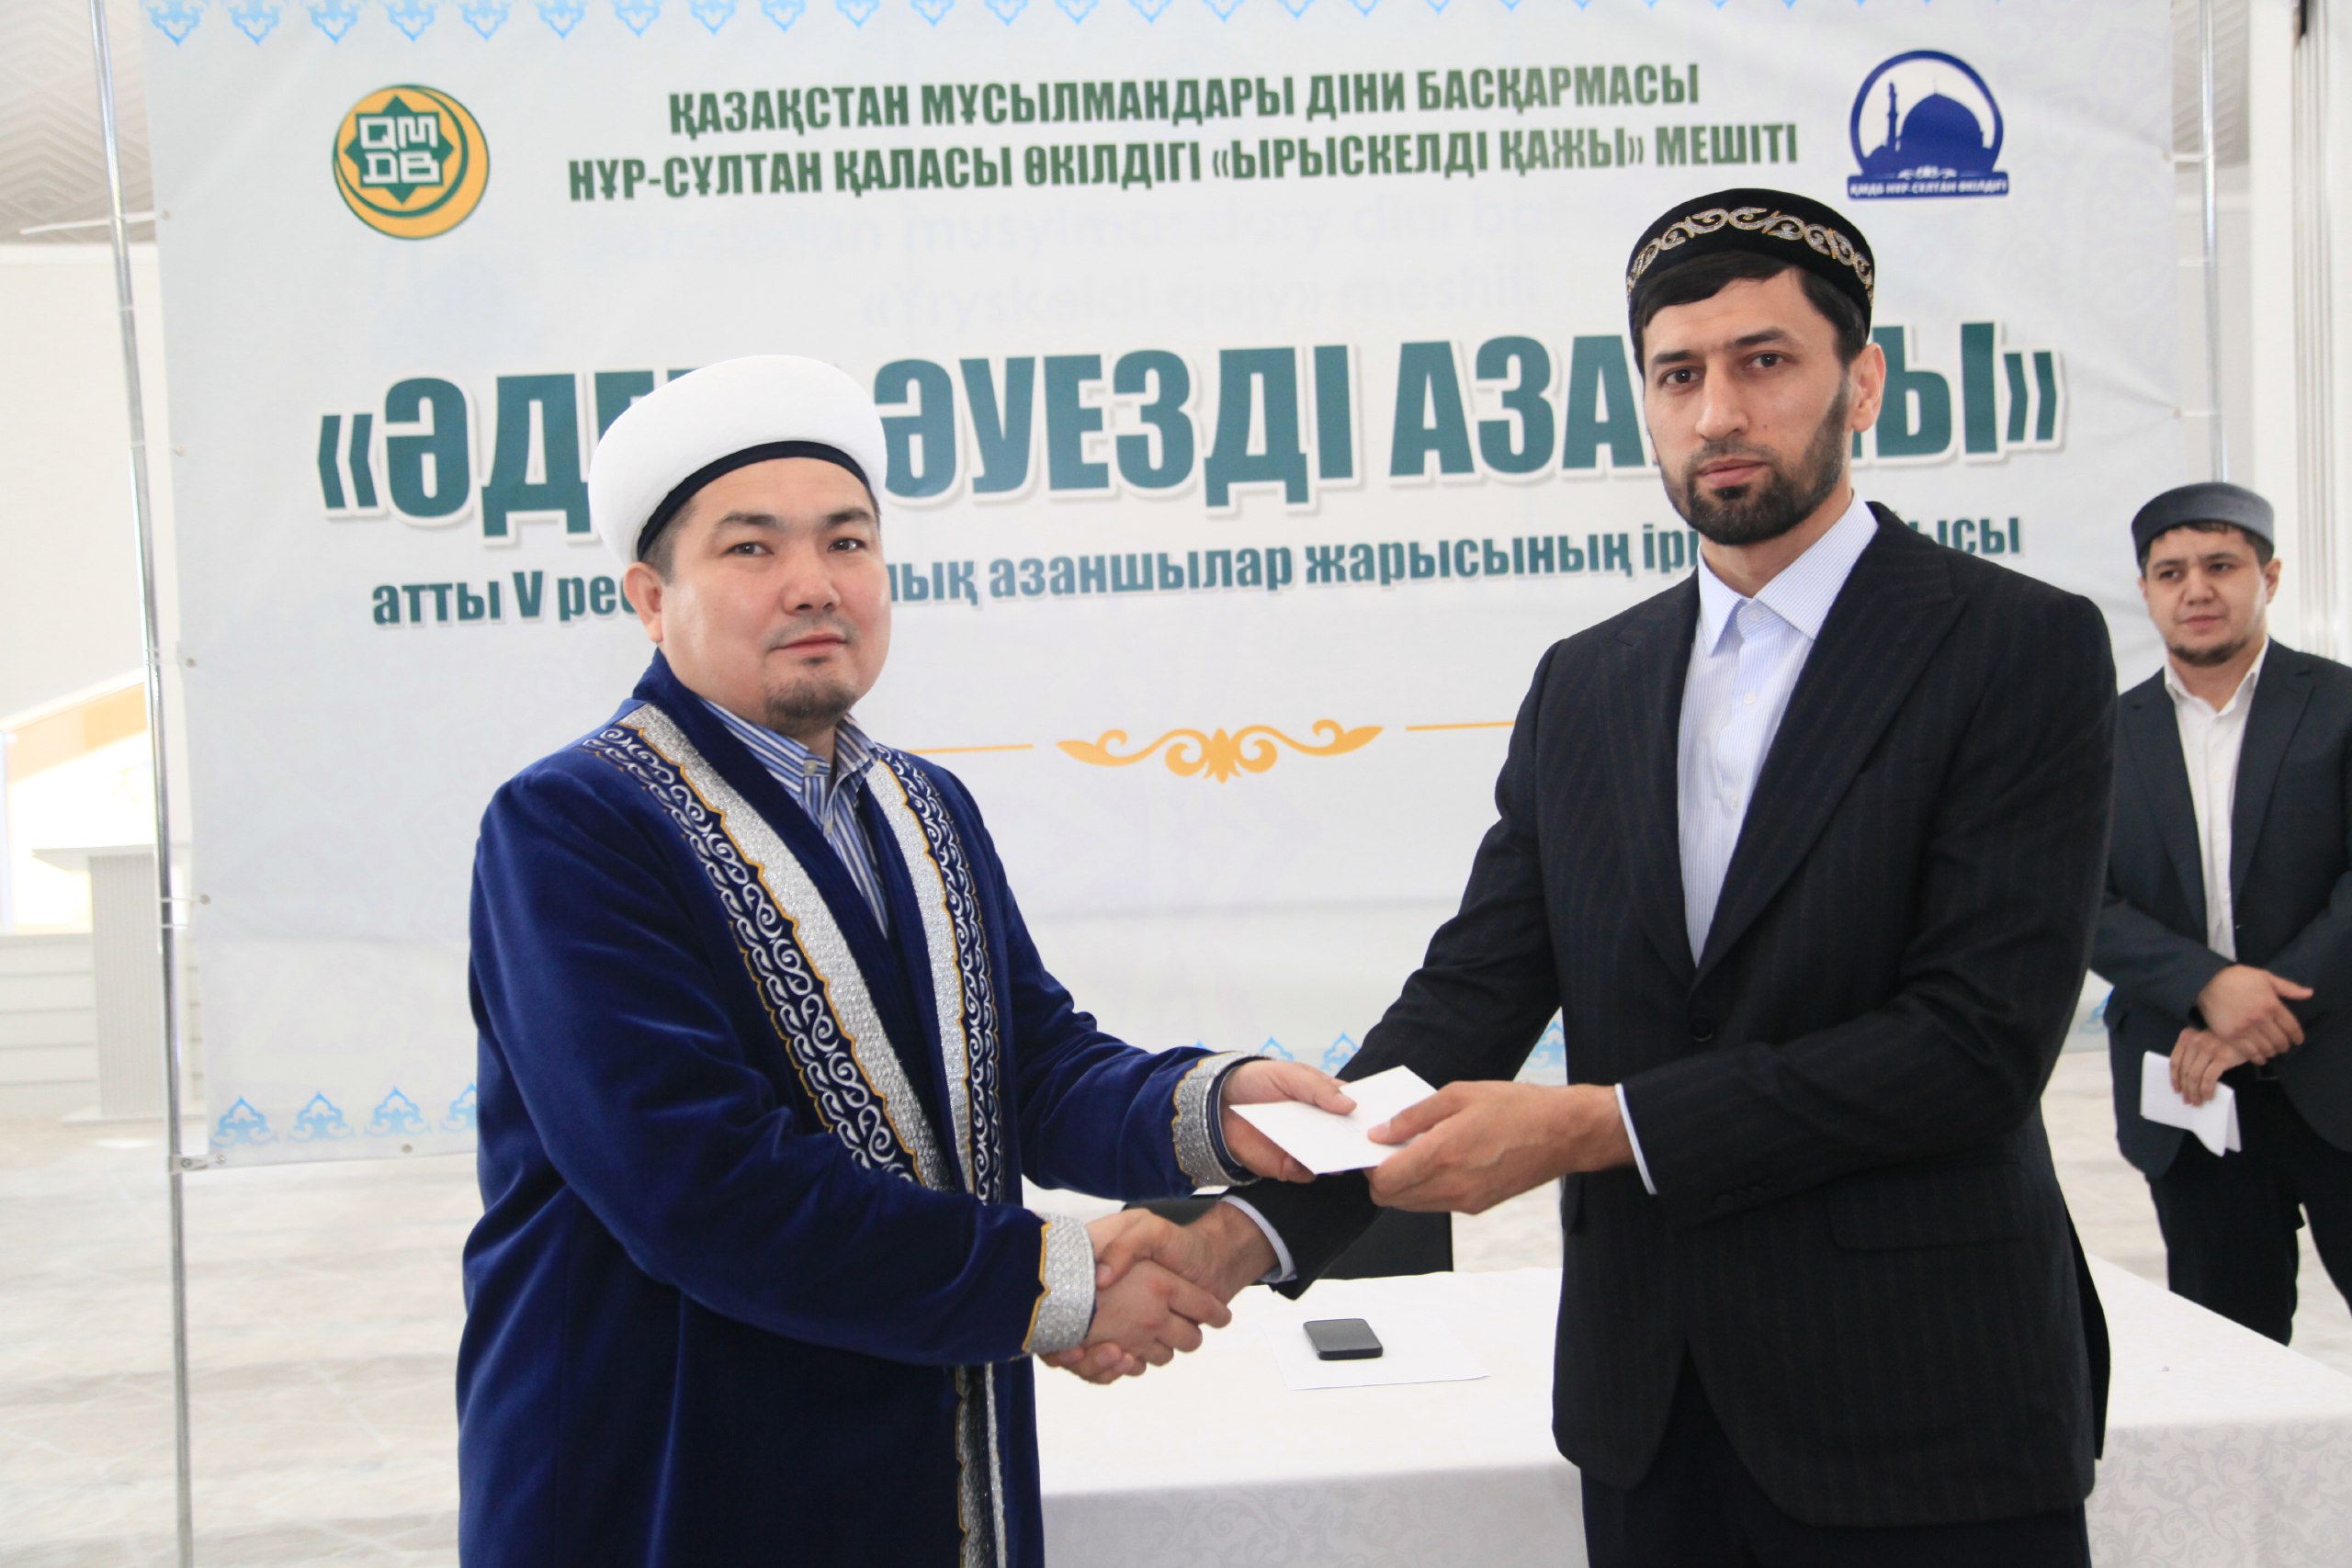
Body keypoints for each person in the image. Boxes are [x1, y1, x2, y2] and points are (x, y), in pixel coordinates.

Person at [1110, 189, 2117, 1565]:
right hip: (1653, 1415)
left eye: (1766, 361)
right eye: (1678, 374)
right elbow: (1469, 1003)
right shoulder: (1588, 683)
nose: (1719, 414)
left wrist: (1596, 1125)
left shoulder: (2016, 647)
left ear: (1863, 381)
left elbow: (1973, 1046)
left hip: (1928, 1404)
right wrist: (1238, 1237)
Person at [455, 354, 1348, 1568]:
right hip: (673, 1458)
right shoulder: (574, 824)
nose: (814, 584)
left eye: (849, 541)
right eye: (751, 548)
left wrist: (1208, 1108)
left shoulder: (923, 805)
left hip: (931, 1438)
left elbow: (1025, 1063)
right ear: (651, 598)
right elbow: (696, 1181)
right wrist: (1056, 1276)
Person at [2091, 481, 2352, 1344]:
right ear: (2146, 591)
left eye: (2220, 565)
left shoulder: (2341, 705)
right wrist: (2208, 986)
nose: (2195, 589)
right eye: (2171, 572)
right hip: (2188, 1087)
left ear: (2268, 577)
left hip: (2338, 1067)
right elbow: (2078, 896)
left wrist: (2257, 1011)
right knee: (2231, 1354)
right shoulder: (2096, 735)